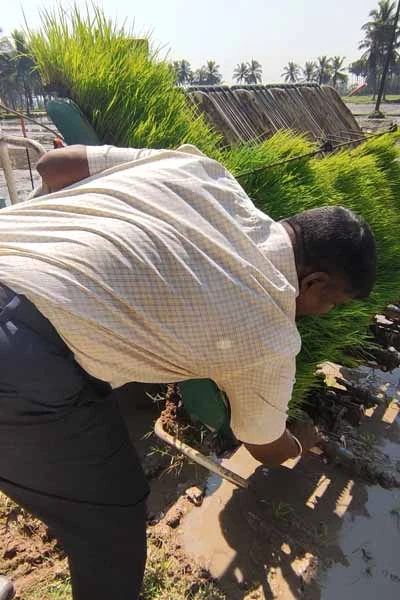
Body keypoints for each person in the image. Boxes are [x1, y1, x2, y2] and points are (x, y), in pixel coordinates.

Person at [0, 144, 376, 599]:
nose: (322, 313)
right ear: (313, 281)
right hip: (24, 355)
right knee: (111, 525)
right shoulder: (271, 334)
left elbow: (54, 165)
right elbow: (265, 447)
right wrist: (303, 441)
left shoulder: (204, 170)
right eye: (330, 302)